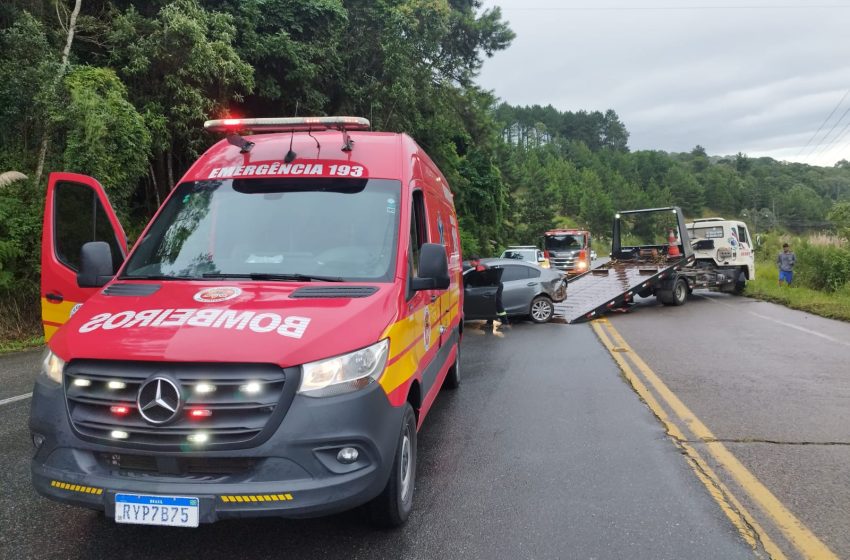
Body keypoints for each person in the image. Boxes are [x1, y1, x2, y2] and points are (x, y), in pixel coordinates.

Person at [468, 255, 509, 326]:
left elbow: (483, 279)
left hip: (496, 286)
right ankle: (490, 321)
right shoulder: (481, 266)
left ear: (474, 261)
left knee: (498, 304)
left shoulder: (480, 267)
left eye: (470, 262)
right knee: (490, 303)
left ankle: (505, 322)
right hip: (494, 286)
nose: (470, 263)